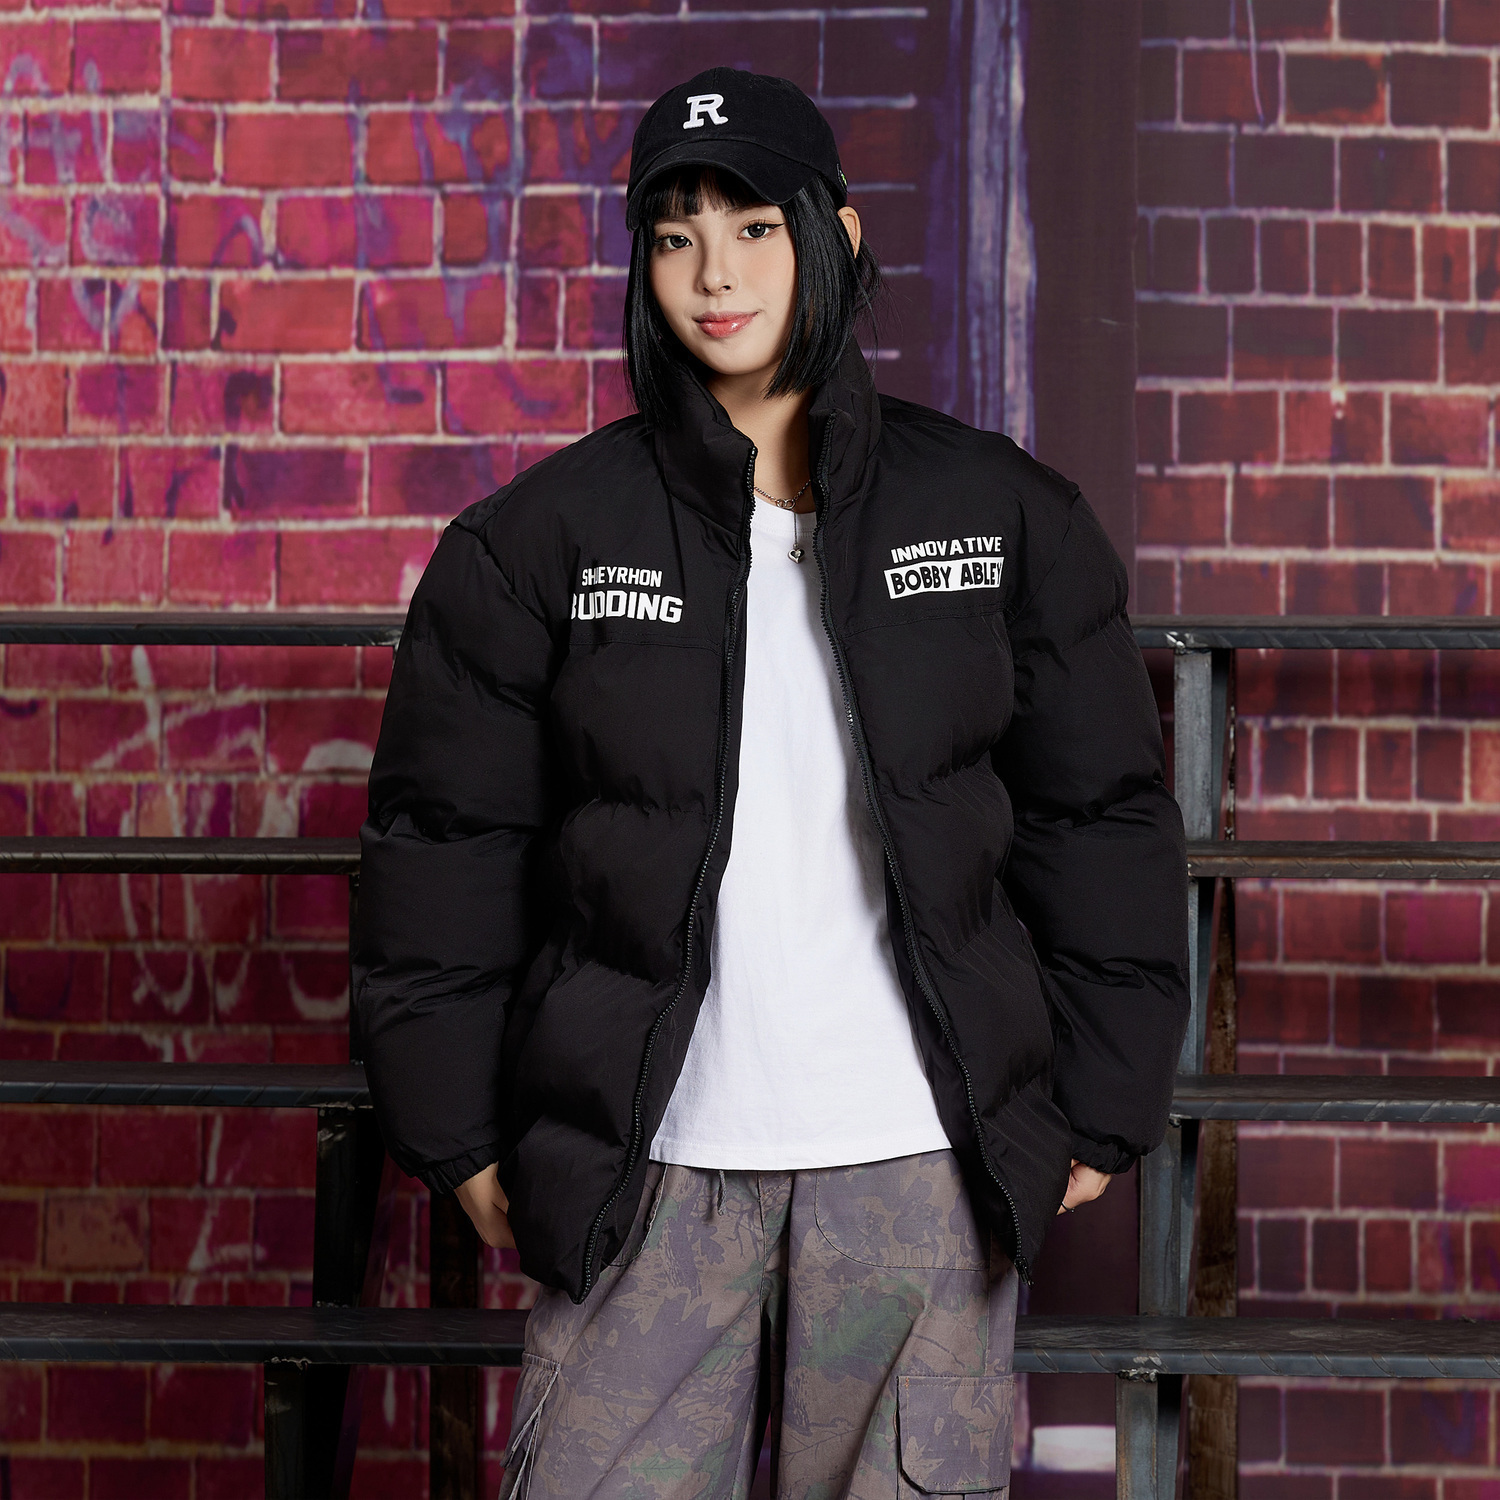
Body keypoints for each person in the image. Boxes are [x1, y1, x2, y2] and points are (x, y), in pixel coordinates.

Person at [352, 66, 1189, 1499]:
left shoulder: (999, 515)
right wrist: (458, 1134)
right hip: (645, 1168)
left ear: (836, 238)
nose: (715, 274)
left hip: (920, 1170)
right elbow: (448, 843)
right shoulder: (539, 541)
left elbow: (1098, 817)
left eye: (751, 227)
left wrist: (1102, 1104)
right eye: (675, 236)